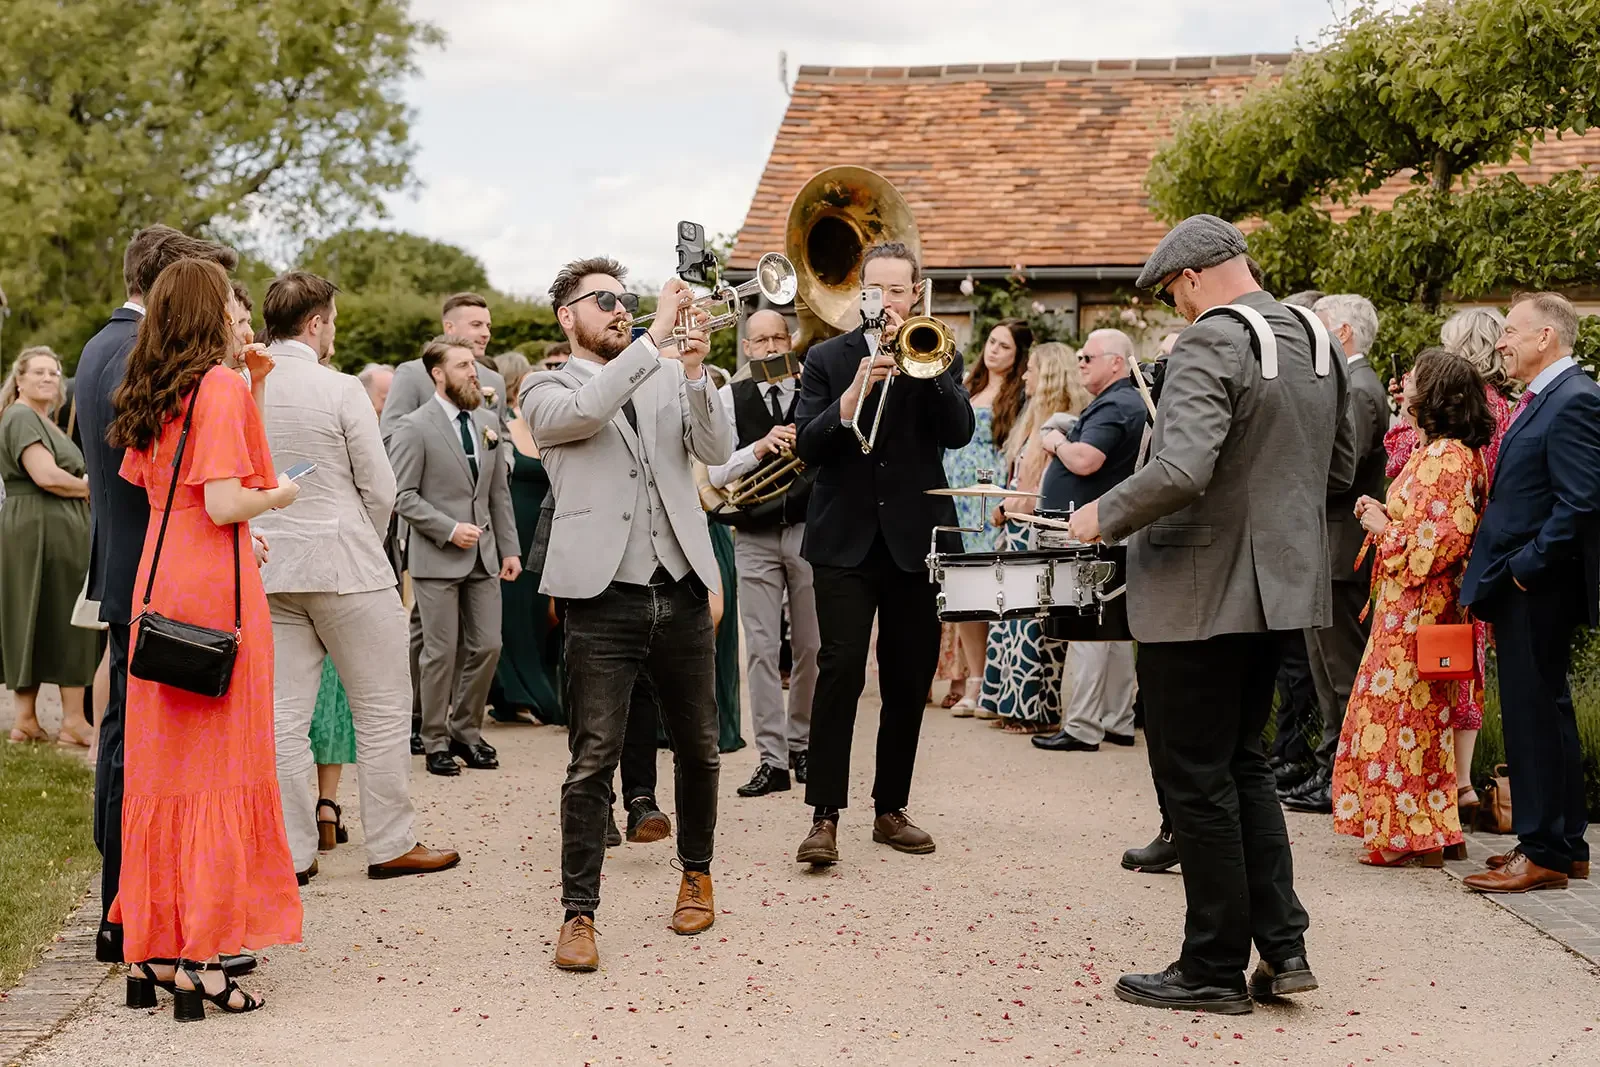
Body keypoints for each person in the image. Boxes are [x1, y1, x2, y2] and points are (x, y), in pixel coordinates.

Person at [1068, 215, 1354, 1014]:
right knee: (1244, 763)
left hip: (1197, 591)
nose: (1176, 306)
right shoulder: (1317, 337)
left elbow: (1185, 466)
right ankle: (1284, 947)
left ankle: (1212, 967)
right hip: (1280, 589)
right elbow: (1336, 467)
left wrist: (1103, 514)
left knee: (1195, 778)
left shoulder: (1209, 342)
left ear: (1191, 277)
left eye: (1171, 292)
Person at [522, 255, 732, 971]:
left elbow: (718, 449)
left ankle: (696, 871)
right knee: (591, 761)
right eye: (603, 299)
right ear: (567, 316)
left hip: (677, 586)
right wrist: (658, 338)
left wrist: (698, 372)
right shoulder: (543, 385)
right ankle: (578, 913)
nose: (620, 308)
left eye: (627, 298)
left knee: (700, 746)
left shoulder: (670, 371)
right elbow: (586, 412)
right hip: (599, 595)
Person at [105, 257, 302, 1017]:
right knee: (221, 770)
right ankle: (205, 958)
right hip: (217, 593)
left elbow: (164, 486)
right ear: (208, 310)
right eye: (225, 301)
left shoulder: (152, 385)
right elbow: (224, 501)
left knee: (164, 777)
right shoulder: (215, 386)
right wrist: (285, 492)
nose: (233, 311)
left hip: (160, 586)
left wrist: (252, 385)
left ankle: (151, 949)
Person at [252, 270, 459, 880]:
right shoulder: (339, 388)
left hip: (271, 566)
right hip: (346, 562)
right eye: (333, 321)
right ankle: (390, 844)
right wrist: (365, 543)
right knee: (383, 705)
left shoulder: (242, 385)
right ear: (314, 324)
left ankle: (294, 854)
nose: (334, 332)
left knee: (283, 717)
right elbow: (381, 487)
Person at [74, 224, 239, 966]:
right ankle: (132, 915)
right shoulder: (141, 353)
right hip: (168, 574)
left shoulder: (99, 344)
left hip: (132, 565)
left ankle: (132, 915)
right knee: (145, 752)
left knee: (131, 741)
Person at [792, 241, 976, 867]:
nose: (888, 300)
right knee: (840, 669)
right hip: (842, 538)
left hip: (914, 539)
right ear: (860, 293)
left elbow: (960, 432)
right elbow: (809, 449)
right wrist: (849, 399)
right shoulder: (824, 358)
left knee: (907, 677)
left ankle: (889, 808)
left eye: (900, 290)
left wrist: (931, 373)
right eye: (878, 289)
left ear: (915, 294)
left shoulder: (936, 350)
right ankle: (823, 815)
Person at [1461, 292, 1600, 893]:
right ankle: (1565, 845)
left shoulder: (1572, 401)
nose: (1501, 341)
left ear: (1546, 336)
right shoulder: (1547, 398)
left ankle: (1542, 850)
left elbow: (1582, 501)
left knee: (1532, 714)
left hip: (1538, 587)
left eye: (1512, 331)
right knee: (1548, 710)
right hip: (1530, 585)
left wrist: (1524, 568)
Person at [1332, 347, 1493, 865]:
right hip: (1411, 607)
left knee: (1400, 718)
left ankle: (1406, 836)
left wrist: (1386, 530)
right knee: (1414, 721)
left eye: (1416, 380)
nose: (1406, 386)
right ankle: (1426, 830)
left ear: (1437, 393)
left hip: (1418, 610)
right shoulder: (1441, 451)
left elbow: (1442, 543)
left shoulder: (1447, 456)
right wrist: (1383, 513)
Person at [1385, 307, 1516, 824]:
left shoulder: (1448, 415)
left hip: (1436, 553)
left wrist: (1406, 415)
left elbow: (1400, 467)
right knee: (1465, 664)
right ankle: (1461, 783)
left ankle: (1441, 789)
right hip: (1486, 550)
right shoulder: (1504, 408)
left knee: (1429, 673)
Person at [381, 293, 510, 753]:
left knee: (486, 644)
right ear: (449, 328)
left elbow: (498, 478)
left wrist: (507, 546)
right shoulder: (413, 378)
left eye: (488, 325)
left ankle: (462, 729)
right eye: (476, 324)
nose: (484, 334)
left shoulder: (488, 391)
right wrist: (443, 520)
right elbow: (396, 443)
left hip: (484, 545)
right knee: (435, 645)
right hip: (434, 538)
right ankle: (425, 727)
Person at [1281, 294, 1390, 814]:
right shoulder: (1348, 383)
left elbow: (1338, 470)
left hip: (1342, 546)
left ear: (1342, 332)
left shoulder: (1362, 390)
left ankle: (1345, 779)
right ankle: (1330, 768)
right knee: (1325, 672)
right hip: (1325, 544)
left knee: (1342, 672)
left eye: (1318, 326)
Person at [704, 308, 820, 795]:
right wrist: (759, 448)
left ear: (790, 342)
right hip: (752, 533)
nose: (771, 348)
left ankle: (804, 745)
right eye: (761, 341)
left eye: (779, 338)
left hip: (808, 529)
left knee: (812, 646)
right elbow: (713, 471)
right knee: (762, 650)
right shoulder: (730, 397)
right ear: (747, 349)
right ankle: (771, 760)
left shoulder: (816, 391)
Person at [1032, 329, 1149, 752]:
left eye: (1088, 356)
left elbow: (1085, 460)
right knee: (1114, 629)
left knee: (1088, 627)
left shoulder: (1117, 402)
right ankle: (1117, 720)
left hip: (1093, 533)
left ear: (1116, 363)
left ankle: (1082, 726)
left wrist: (1056, 440)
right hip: (1109, 529)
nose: (1080, 362)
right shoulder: (1123, 401)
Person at [974, 342, 1080, 733]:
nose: (1024, 376)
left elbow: (1043, 490)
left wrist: (1008, 508)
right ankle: (1009, 703)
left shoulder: (1062, 423)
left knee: (1033, 627)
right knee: (1009, 622)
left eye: (1032, 369)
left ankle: (1035, 710)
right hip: (1017, 532)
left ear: (1049, 375)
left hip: (1038, 535)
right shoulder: (1031, 420)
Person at [1, 347, 97, 746]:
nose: (48, 378)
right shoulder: (21, 415)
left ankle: (30, 720)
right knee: (60, 615)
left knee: (44, 614)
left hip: (47, 525)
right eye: (38, 372)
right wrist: (91, 489)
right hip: (41, 524)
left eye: (54, 372)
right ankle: (69, 720)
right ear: (19, 379)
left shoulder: (44, 419)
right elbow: (45, 475)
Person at [941, 319, 1030, 716]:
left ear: (1017, 357)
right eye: (992, 342)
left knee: (989, 593)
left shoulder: (1019, 396)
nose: (993, 351)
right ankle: (973, 681)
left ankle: (993, 684)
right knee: (960, 593)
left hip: (989, 496)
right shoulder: (968, 387)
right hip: (954, 495)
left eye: (1004, 347)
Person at [489, 349, 563, 726]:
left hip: (547, 528)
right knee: (513, 612)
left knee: (541, 614)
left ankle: (542, 687)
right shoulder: (499, 423)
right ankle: (516, 694)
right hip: (514, 525)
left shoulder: (534, 420)